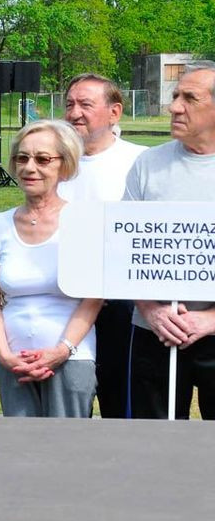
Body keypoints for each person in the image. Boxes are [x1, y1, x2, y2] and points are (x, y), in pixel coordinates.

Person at [0, 120, 102, 416]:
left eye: (43, 159)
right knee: (19, 444)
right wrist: (4, 355)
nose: (29, 167)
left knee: (65, 442)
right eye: (22, 158)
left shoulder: (84, 221)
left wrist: (62, 350)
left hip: (72, 357)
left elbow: (93, 298)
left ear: (65, 165)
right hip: (13, 361)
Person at [124, 60, 215, 419]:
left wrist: (209, 321)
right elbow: (124, 250)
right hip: (156, 331)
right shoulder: (148, 164)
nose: (174, 107)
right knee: (153, 440)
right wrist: (152, 311)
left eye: (189, 98)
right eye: (175, 96)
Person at [57, 73, 147, 419]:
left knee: (120, 405)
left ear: (115, 112)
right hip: (64, 302)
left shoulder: (141, 161)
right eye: (69, 104)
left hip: (120, 307)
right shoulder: (53, 162)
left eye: (85, 104)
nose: (74, 112)